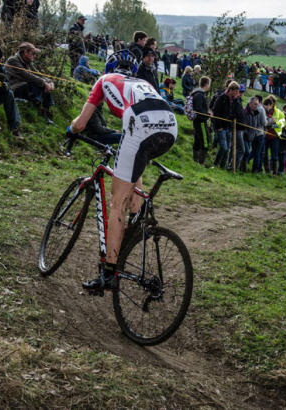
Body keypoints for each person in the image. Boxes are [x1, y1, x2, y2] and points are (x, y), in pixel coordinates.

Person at [68, 49, 177, 291]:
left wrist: (71, 130)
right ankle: (136, 217)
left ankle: (108, 273)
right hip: (170, 125)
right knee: (134, 164)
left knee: (117, 202)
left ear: (109, 68)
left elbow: (82, 123)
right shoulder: (143, 83)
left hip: (140, 122)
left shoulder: (104, 80)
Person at [6, 42, 55, 125]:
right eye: (33, 53)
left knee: (40, 84)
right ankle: (37, 104)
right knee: (35, 83)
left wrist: (49, 81)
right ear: (25, 52)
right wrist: (44, 83)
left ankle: (46, 112)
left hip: (23, 84)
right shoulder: (13, 60)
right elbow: (27, 75)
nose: (34, 56)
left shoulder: (28, 61)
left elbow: (36, 73)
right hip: (13, 87)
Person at [212, 81, 240, 169]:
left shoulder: (236, 100)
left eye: (237, 92)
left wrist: (232, 117)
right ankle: (215, 164)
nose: (236, 93)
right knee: (224, 147)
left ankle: (222, 166)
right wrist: (219, 126)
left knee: (227, 148)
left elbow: (237, 112)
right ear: (230, 90)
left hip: (229, 127)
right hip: (221, 127)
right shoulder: (222, 98)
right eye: (235, 91)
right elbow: (215, 112)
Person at [190, 75, 211, 164]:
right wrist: (208, 114)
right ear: (206, 84)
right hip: (201, 121)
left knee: (198, 140)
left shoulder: (198, 93)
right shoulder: (199, 95)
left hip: (199, 121)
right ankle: (201, 162)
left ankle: (196, 161)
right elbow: (198, 110)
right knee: (205, 141)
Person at [262, 95, 285, 175]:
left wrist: (272, 125)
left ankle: (274, 172)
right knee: (264, 154)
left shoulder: (279, 112)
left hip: (274, 136)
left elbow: (282, 124)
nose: (271, 103)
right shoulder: (263, 110)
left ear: (274, 103)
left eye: (272, 101)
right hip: (265, 136)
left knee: (274, 155)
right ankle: (267, 171)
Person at [244, 96, 267, 172]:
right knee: (258, 152)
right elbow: (264, 122)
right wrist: (271, 121)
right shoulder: (261, 109)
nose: (256, 105)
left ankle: (248, 165)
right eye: (255, 104)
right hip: (259, 133)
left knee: (253, 151)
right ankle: (255, 169)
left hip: (252, 133)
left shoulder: (252, 109)